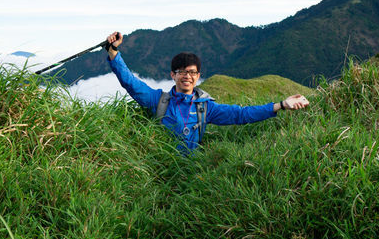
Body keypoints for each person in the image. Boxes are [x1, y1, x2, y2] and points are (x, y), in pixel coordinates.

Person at [104, 30, 310, 153]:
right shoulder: (158, 101)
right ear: (172, 75)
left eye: (192, 72)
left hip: (192, 173)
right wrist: (113, 51)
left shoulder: (206, 108)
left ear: (198, 76)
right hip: (158, 172)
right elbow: (130, 82)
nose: (187, 76)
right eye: (181, 72)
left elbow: (241, 114)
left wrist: (281, 105)